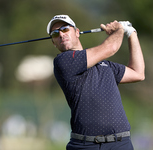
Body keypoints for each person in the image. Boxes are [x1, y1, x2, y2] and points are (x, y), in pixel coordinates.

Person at [47, 14, 145, 150]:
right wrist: (120, 29)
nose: (61, 35)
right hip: (85, 145)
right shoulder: (63, 62)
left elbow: (138, 73)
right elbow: (111, 47)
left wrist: (132, 33)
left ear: (76, 32)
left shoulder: (105, 65)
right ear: (53, 42)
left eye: (65, 29)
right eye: (55, 34)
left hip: (120, 144)